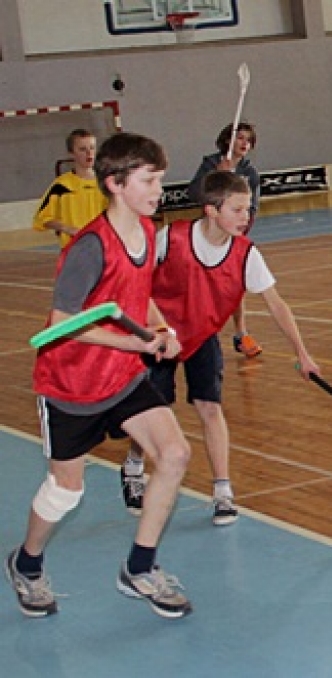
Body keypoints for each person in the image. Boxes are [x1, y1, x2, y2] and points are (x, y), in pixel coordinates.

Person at [5, 132, 194, 619]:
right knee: (65, 491)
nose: (158, 189)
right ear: (115, 183)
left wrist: (159, 327)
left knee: (173, 453)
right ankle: (26, 564)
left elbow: (138, 297)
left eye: (160, 179)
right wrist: (130, 341)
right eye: (148, 180)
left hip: (124, 378)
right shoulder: (90, 247)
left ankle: (140, 567)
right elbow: (59, 326)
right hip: (71, 386)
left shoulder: (148, 232)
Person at [118, 171, 321, 525]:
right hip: (161, 336)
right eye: (238, 209)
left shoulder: (246, 254)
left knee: (210, 407)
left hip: (202, 335)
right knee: (155, 407)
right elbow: (138, 282)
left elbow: (276, 304)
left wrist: (302, 353)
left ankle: (223, 490)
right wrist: (152, 329)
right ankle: (134, 467)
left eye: (249, 209)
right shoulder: (173, 237)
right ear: (212, 210)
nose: (247, 217)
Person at [188, 122, 264, 358]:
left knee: (236, 284)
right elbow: (194, 193)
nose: (244, 143)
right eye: (240, 138)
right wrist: (216, 176)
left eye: (248, 140)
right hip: (209, 236)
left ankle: (241, 334)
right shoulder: (211, 164)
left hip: (235, 238)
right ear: (228, 140)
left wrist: (242, 229)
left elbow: (252, 207)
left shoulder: (250, 173)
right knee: (203, 285)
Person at [32, 129, 108, 249]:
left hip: (104, 246)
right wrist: (66, 228)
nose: (89, 153)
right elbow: (41, 218)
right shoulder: (61, 185)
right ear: (71, 153)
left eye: (92, 148)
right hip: (73, 249)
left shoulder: (106, 182)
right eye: (83, 149)